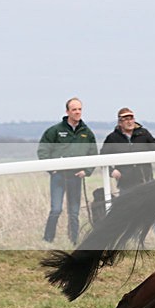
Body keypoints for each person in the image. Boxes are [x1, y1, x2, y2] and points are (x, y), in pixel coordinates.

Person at [37, 97, 98, 244]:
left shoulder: (87, 133)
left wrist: (87, 171)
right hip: (59, 177)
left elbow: (94, 154)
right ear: (67, 111)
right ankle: (47, 240)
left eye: (79, 109)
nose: (77, 112)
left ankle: (74, 241)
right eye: (74, 109)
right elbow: (43, 150)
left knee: (74, 213)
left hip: (76, 177)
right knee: (56, 209)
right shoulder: (55, 131)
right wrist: (52, 170)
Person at [99, 107, 155, 193]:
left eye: (131, 118)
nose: (129, 122)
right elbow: (102, 157)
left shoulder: (144, 134)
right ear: (120, 122)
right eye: (126, 119)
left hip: (145, 180)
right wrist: (112, 171)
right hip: (125, 184)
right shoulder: (113, 138)